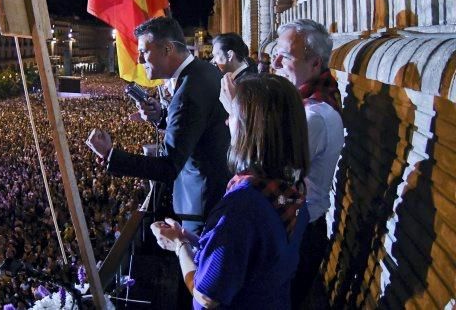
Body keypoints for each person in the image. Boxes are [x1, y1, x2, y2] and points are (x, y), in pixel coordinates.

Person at [152, 75, 310, 309]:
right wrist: (193, 238)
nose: (227, 123)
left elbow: (206, 296)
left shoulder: (242, 205)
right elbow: (254, 255)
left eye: (233, 115)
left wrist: (179, 246)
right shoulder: (291, 190)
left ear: (252, 128)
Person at [86, 16, 230, 233]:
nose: (140, 60)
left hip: (201, 206)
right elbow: (198, 126)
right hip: (214, 192)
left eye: (144, 51)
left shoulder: (187, 93)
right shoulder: (204, 71)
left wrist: (110, 154)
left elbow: (169, 166)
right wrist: (162, 116)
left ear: (167, 49)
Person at [271, 19, 344, 308]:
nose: (274, 61)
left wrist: (238, 120)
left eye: (285, 56)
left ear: (315, 64)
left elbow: (270, 172)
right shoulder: (303, 103)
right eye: (276, 52)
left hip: (298, 232)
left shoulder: (313, 116)